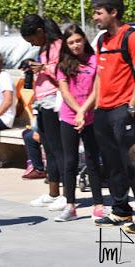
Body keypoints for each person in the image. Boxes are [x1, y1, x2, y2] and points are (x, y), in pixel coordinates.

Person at [89, 0, 135, 228]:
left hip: (123, 110)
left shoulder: (131, 37)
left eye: (98, 13)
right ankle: (121, 210)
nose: (95, 18)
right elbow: (100, 75)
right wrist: (96, 104)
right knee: (112, 164)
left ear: (113, 12)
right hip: (103, 112)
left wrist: (132, 108)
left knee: (131, 163)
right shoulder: (102, 40)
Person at [53, 24, 105, 222]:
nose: (75, 45)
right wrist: (77, 112)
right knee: (70, 161)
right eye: (71, 42)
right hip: (69, 118)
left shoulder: (94, 60)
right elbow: (64, 92)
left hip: (90, 116)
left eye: (78, 40)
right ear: (66, 45)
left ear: (84, 39)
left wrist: (84, 111)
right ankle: (70, 206)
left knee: (92, 159)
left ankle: (98, 205)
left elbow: (97, 89)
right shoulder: (63, 65)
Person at [20, 14, 66, 211]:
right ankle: (53, 192)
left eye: (32, 40)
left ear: (40, 32)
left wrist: (44, 67)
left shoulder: (58, 45)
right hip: (42, 101)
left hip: (54, 100)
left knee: (58, 149)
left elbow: (66, 71)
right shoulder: (45, 47)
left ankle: (67, 194)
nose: (32, 44)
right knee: (48, 148)